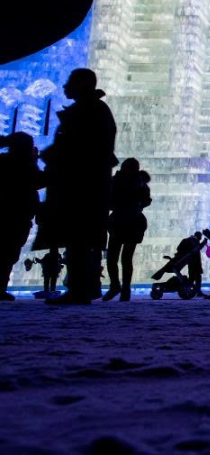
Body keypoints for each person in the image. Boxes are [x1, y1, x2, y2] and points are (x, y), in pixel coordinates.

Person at [42, 69, 118, 305]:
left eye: (69, 83)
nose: (64, 87)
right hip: (80, 183)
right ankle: (79, 288)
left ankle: (79, 289)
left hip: (82, 185)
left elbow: (83, 148)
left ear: (82, 85)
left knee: (79, 239)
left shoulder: (91, 111)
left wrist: (54, 156)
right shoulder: (88, 110)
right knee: (78, 240)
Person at [0, 133, 43, 301]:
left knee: (8, 251)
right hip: (16, 213)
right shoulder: (22, 164)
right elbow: (36, 181)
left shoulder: (7, 161)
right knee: (8, 252)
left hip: (16, 213)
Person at [102, 158, 152, 302]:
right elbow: (146, 199)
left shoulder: (117, 180)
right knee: (122, 258)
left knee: (116, 257)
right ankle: (123, 288)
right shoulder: (139, 182)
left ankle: (118, 286)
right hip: (130, 221)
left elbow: (110, 199)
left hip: (121, 221)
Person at [178, 231, 208, 297]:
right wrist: (203, 243)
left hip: (193, 263)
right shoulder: (193, 241)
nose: (200, 238)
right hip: (195, 263)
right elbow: (196, 249)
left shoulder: (191, 240)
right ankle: (190, 291)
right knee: (196, 278)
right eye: (200, 236)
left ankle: (196, 291)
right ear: (198, 236)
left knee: (194, 278)